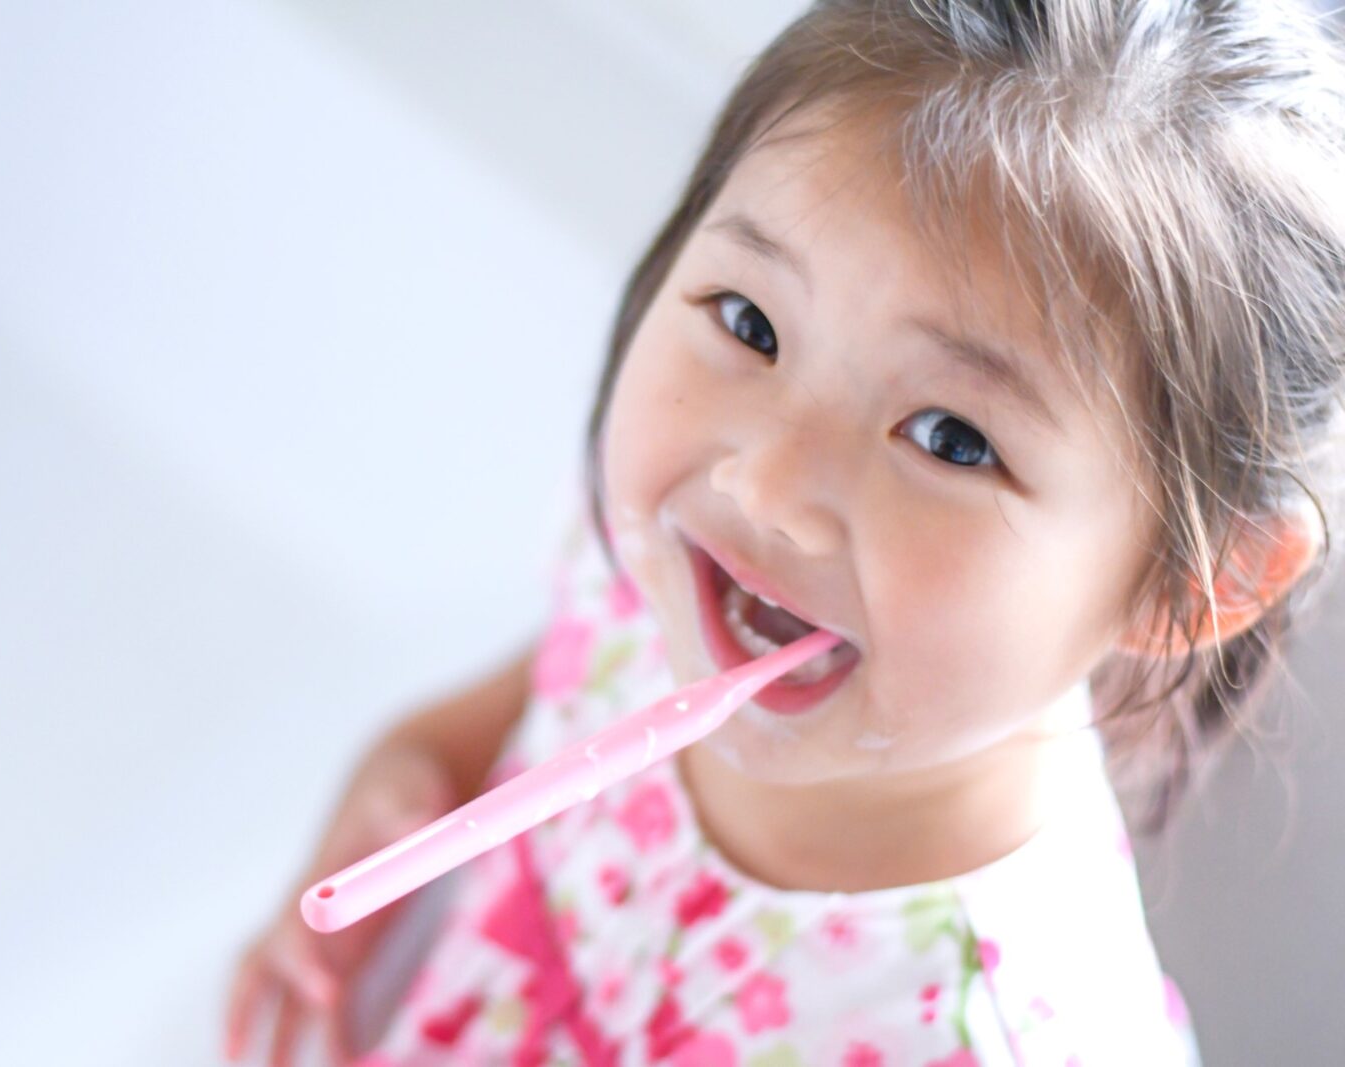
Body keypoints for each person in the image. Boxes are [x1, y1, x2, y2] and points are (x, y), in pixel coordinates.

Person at [224, 1, 1345, 1063]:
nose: (762, 486)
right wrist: (412, 772)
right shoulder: (689, 575)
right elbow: (536, 699)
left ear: (1198, 582)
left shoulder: (975, 1035)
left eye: (950, 438)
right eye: (749, 322)